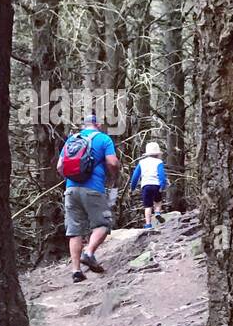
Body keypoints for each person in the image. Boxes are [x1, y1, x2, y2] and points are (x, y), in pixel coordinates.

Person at [57, 113, 118, 284]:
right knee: (103, 223)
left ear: (84, 125)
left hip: (71, 189)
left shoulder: (71, 140)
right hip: (93, 188)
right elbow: (112, 163)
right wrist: (113, 177)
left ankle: (76, 271)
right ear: (98, 124)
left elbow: (60, 166)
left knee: (74, 230)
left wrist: (71, 179)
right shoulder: (104, 139)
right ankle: (89, 252)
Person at [129, 140, 168, 230]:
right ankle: (157, 213)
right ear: (158, 153)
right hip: (156, 185)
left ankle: (148, 224)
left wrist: (133, 187)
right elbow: (161, 175)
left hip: (146, 186)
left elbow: (135, 176)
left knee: (148, 206)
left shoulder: (142, 162)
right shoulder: (159, 162)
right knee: (158, 201)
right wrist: (162, 185)